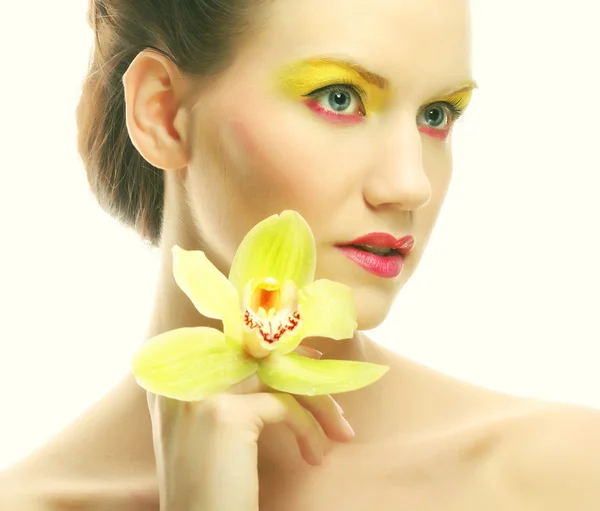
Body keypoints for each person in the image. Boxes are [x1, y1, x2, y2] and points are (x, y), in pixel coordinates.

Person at [1, 0, 599, 509]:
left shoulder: (562, 476)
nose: (410, 184)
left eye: (437, 115)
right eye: (339, 98)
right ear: (161, 114)